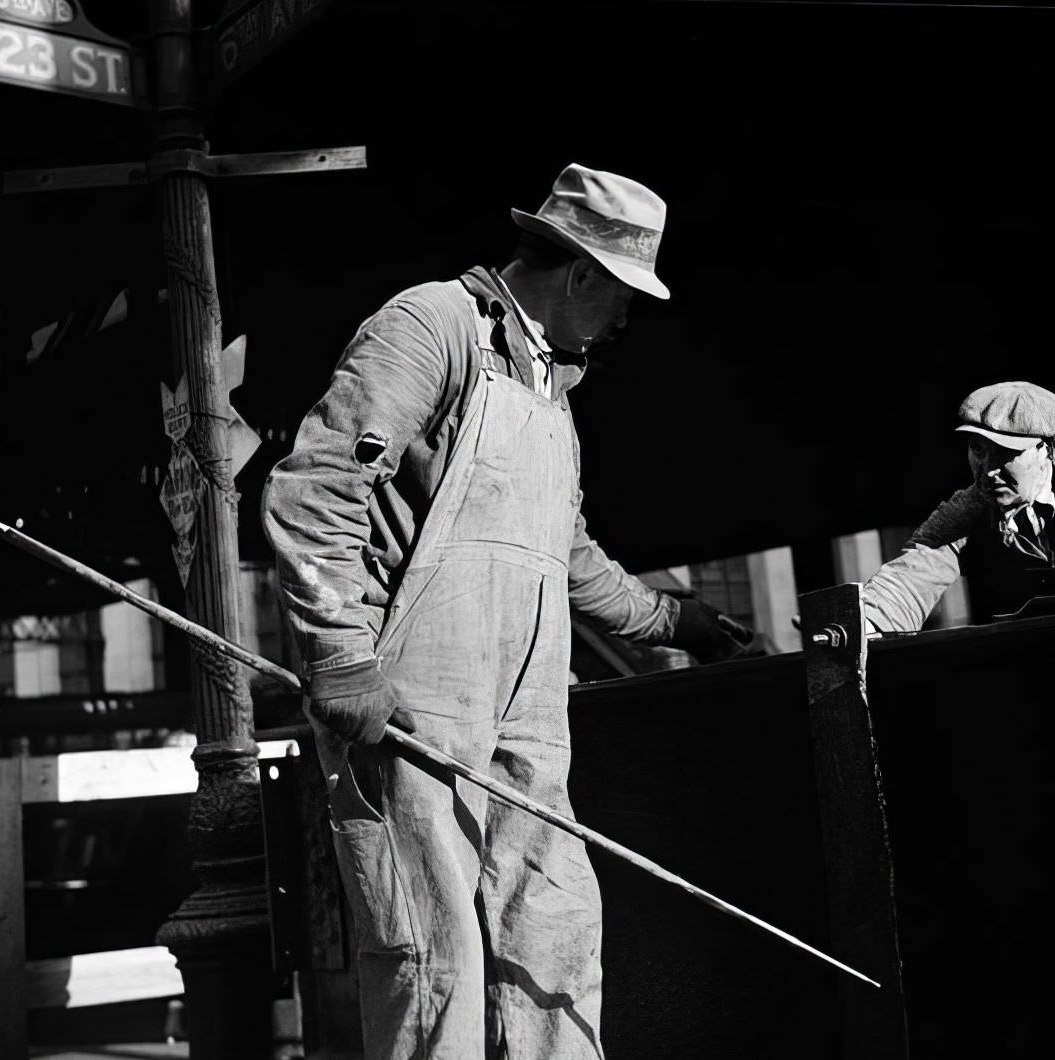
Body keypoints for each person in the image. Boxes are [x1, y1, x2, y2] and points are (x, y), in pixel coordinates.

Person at [261, 164, 745, 1057]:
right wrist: (338, 653)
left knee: (551, 933)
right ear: (583, 274)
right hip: (412, 701)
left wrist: (675, 621)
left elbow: (566, 556)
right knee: (432, 960)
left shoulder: (550, 386)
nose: (628, 318)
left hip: (528, 709)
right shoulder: (431, 324)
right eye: (625, 295)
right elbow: (315, 488)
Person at [864, 380, 1055, 632]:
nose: (987, 470)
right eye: (978, 449)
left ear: (1050, 450)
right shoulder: (971, 506)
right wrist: (867, 623)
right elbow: (917, 568)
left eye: (1005, 452)